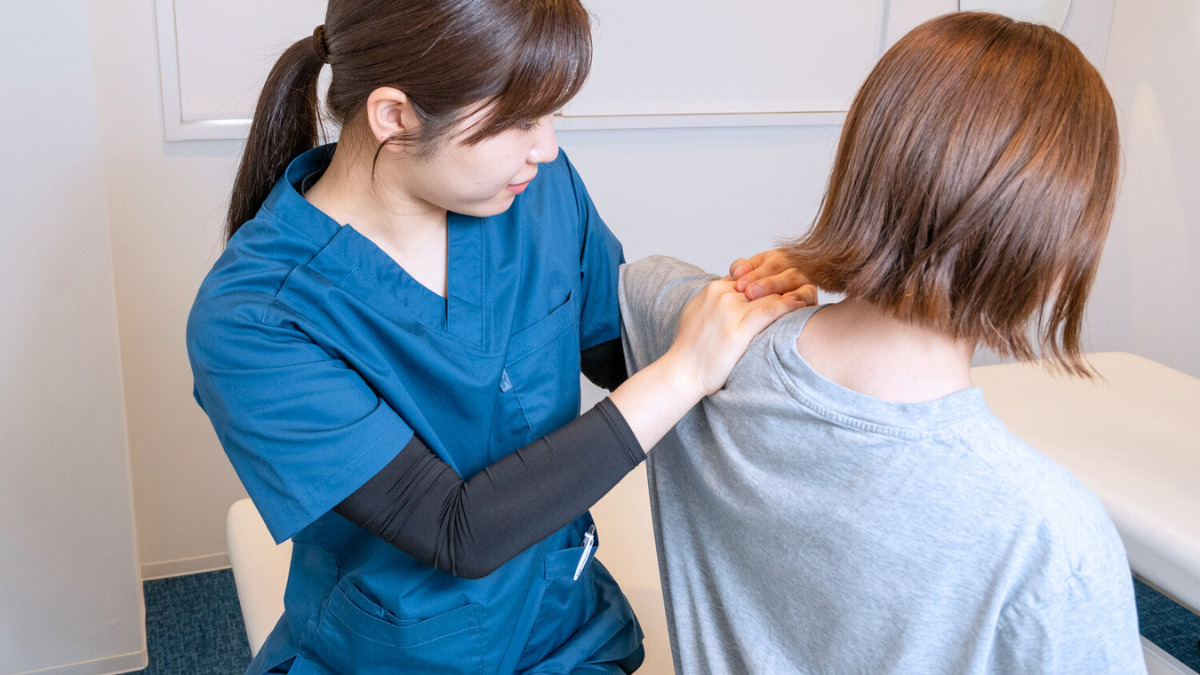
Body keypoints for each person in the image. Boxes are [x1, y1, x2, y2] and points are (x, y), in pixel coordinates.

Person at [185, 1, 812, 673]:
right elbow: (456, 529)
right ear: (394, 116)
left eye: (549, 115)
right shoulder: (254, 318)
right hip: (393, 657)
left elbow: (615, 351)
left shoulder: (535, 193)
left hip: (564, 632)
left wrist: (744, 310)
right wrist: (685, 369)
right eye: (519, 122)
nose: (547, 148)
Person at [619, 12, 1146, 674]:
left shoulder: (702, 344)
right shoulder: (1050, 540)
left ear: (866, 165)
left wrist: (802, 271)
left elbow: (637, 281)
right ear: (1056, 244)